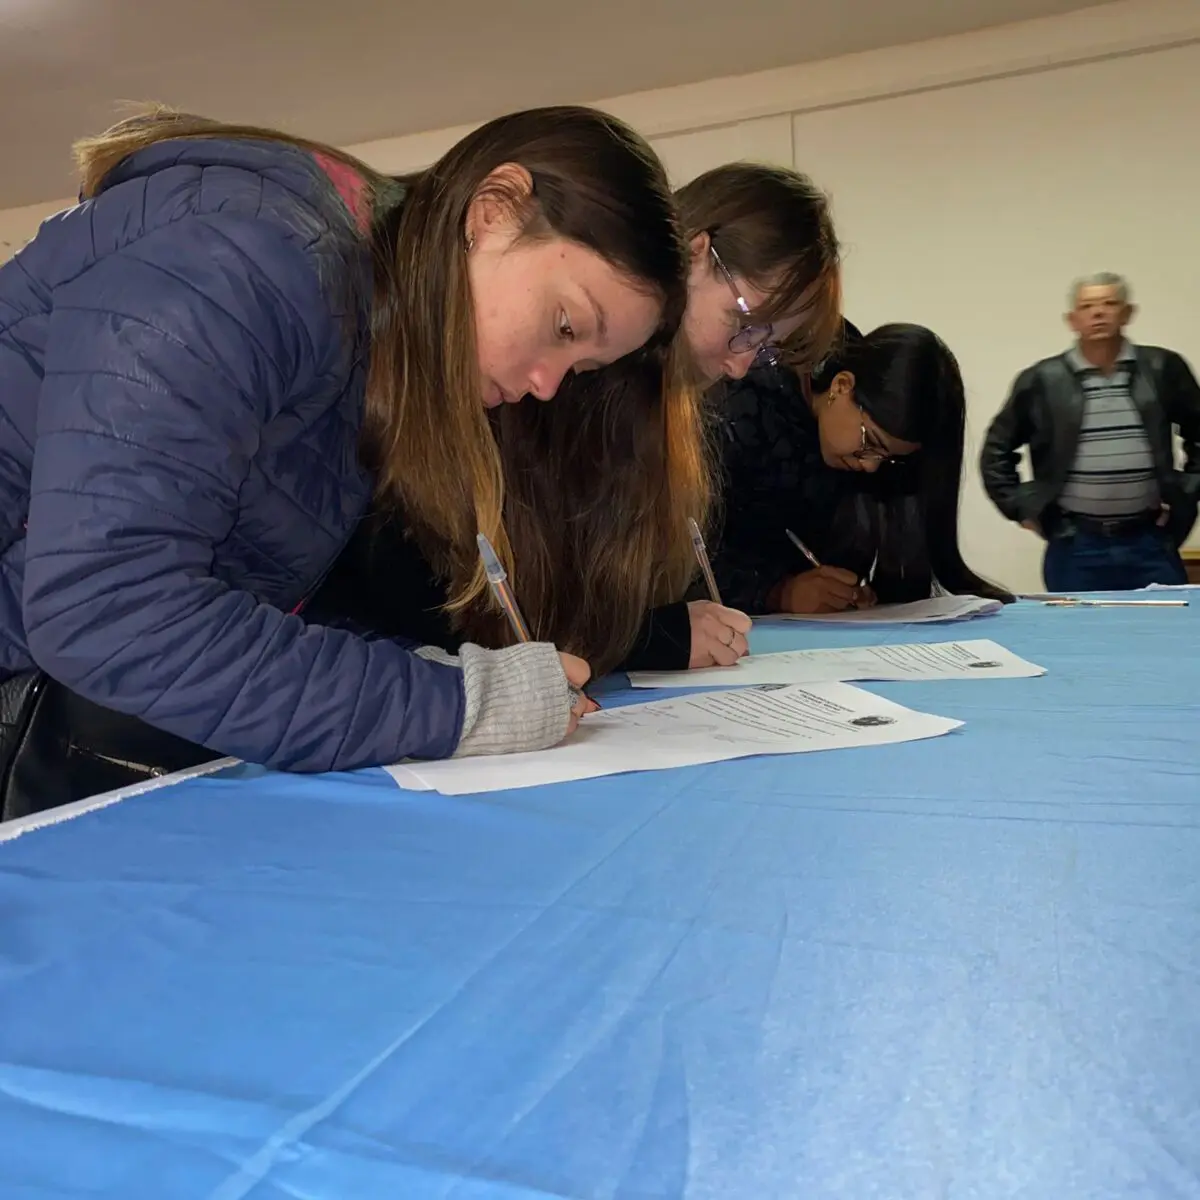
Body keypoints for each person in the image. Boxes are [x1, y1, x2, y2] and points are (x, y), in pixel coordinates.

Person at [0, 104, 706, 805]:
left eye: (581, 369)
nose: (547, 385)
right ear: (493, 209)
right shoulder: (250, 257)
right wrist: (454, 707)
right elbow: (107, 607)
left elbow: (242, 593)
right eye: (564, 325)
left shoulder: (363, 323)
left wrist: (420, 675)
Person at [310, 161, 844, 672]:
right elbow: (462, 606)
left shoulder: (656, 407)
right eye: (745, 324)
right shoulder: (545, 378)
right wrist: (643, 640)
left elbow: (570, 601)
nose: (741, 364)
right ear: (697, 252)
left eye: (767, 348)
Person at [711, 322, 1010, 614]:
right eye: (872, 442)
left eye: (887, 458)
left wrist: (836, 592)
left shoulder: (848, 442)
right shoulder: (740, 403)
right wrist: (777, 593)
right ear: (842, 386)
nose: (869, 466)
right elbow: (683, 556)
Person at [981, 273, 1200, 591]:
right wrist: (1022, 507)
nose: (1099, 312)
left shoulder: (1162, 369)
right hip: (1075, 544)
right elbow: (997, 450)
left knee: (1163, 632)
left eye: (1110, 303)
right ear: (1072, 320)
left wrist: (1187, 491)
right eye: (1088, 306)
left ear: (1128, 313)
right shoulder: (1043, 379)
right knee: (1078, 636)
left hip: (1150, 539)